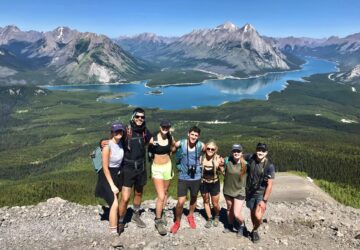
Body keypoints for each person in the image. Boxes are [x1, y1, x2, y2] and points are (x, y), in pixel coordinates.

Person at [117, 108, 152, 234]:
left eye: (142, 117)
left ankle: (135, 215)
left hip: (141, 168)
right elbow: (114, 141)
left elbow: (154, 141)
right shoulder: (126, 131)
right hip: (128, 168)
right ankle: (120, 221)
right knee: (125, 198)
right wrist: (102, 143)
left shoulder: (144, 131)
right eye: (137, 116)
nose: (140, 119)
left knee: (138, 193)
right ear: (133, 117)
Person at [170, 126, 205, 234]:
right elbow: (173, 150)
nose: (194, 137)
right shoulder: (181, 143)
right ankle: (177, 221)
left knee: (194, 198)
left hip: (196, 176)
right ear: (188, 134)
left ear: (198, 136)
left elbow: (209, 151)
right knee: (180, 202)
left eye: (196, 135)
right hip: (183, 177)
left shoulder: (201, 145)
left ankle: (190, 216)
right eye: (192, 134)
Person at [95, 122, 125, 235]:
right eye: (116, 131)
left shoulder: (121, 142)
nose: (118, 133)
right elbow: (105, 167)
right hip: (107, 175)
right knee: (114, 203)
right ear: (112, 133)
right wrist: (112, 185)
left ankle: (115, 222)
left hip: (117, 174)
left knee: (115, 200)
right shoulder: (107, 147)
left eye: (120, 131)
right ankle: (113, 232)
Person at [148, 120, 176, 236]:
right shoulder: (153, 139)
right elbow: (147, 149)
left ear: (169, 128)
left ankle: (162, 211)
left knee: (165, 192)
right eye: (163, 126)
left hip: (167, 166)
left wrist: (172, 150)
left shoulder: (170, 137)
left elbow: (173, 148)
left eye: (167, 127)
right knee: (160, 195)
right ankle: (158, 219)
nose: (165, 128)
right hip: (157, 168)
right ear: (160, 127)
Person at [245, 143, 275, 243]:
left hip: (261, 194)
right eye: (259, 150)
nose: (260, 152)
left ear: (266, 153)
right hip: (249, 192)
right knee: (252, 212)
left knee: (258, 216)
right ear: (256, 150)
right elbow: (239, 155)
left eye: (263, 151)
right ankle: (255, 230)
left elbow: (270, 185)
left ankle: (255, 229)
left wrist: (264, 201)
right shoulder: (250, 157)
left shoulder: (269, 166)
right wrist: (226, 160)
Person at [222, 144, 248, 237]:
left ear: (241, 153)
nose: (236, 153)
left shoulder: (245, 164)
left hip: (240, 191)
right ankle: (230, 225)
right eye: (234, 151)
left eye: (238, 151)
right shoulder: (227, 161)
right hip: (228, 190)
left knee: (236, 213)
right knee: (229, 208)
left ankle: (241, 225)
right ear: (232, 152)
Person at [200, 140, 223, 228]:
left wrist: (220, 166)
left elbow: (223, 172)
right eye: (208, 148)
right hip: (204, 183)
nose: (210, 150)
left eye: (212, 149)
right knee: (206, 201)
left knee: (215, 203)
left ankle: (217, 215)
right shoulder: (201, 158)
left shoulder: (217, 158)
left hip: (214, 183)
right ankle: (209, 218)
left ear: (215, 150)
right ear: (205, 149)